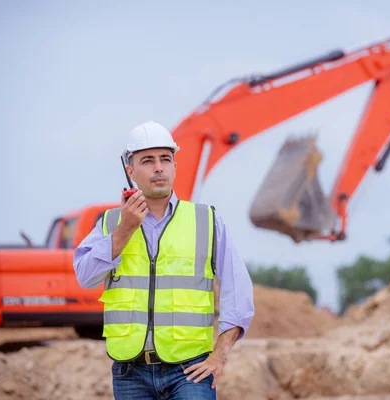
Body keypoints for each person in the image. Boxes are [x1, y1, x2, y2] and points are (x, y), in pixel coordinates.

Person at [73, 120, 255, 399]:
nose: (159, 167)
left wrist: (221, 353)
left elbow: (238, 288)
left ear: (174, 166)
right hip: (130, 372)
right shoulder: (111, 222)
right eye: (148, 160)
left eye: (165, 159)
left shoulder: (205, 220)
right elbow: (85, 276)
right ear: (130, 171)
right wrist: (124, 230)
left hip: (191, 370)